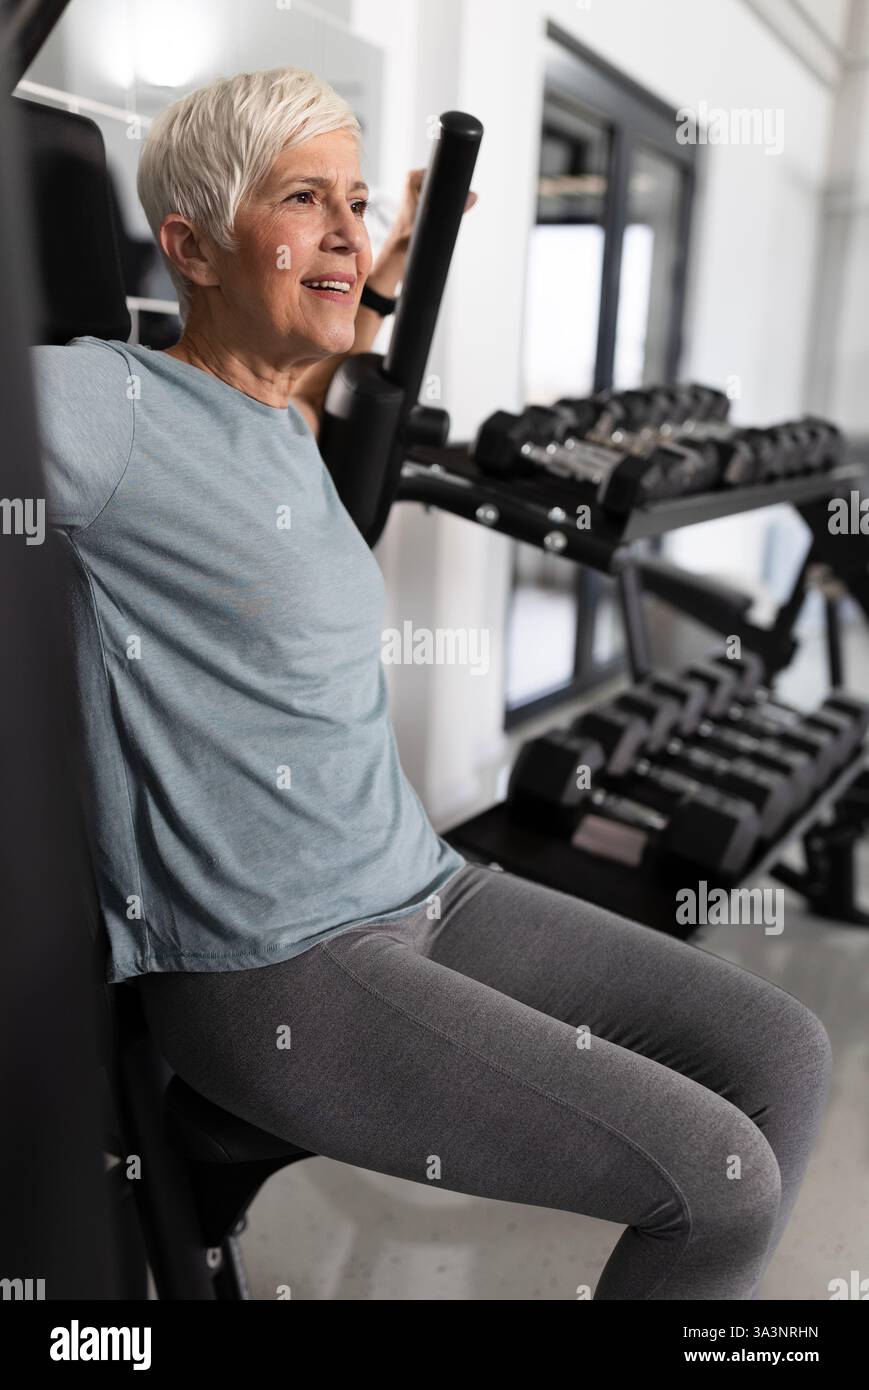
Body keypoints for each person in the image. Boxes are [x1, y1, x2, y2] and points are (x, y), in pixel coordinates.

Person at [33, 66, 831, 1300]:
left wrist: (391, 248)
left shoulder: (277, 410)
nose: (347, 229)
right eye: (308, 198)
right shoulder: (111, 404)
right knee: (716, 1178)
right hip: (276, 962)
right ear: (188, 246)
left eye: (354, 199)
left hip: (428, 888)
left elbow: (333, 346)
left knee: (783, 1050)